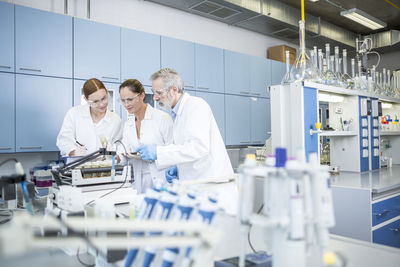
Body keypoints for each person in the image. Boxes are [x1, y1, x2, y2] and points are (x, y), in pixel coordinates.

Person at [136, 68, 234, 183]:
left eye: (159, 93)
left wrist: (158, 152)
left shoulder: (196, 106)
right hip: (198, 183)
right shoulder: (177, 114)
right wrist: (179, 168)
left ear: (174, 89)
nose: (155, 98)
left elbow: (198, 147)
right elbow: (186, 148)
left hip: (212, 182)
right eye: (154, 93)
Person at [117, 79, 173, 193]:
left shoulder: (162, 118)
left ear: (142, 95)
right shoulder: (128, 125)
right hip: (138, 181)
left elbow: (174, 149)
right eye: (123, 101)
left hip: (162, 179)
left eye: (130, 99)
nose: (126, 104)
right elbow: (124, 152)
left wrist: (157, 153)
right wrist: (114, 158)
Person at [57, 78, 122, 157]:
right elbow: (64, 141)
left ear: (107, 92)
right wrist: (73, 152)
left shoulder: (115, 120)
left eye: (104, 98)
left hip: (105, 167)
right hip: (78, 167)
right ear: (86, 99)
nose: (101, 104)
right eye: (95, 101)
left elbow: (119, 148)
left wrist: (113, 153)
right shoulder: (74, 114)